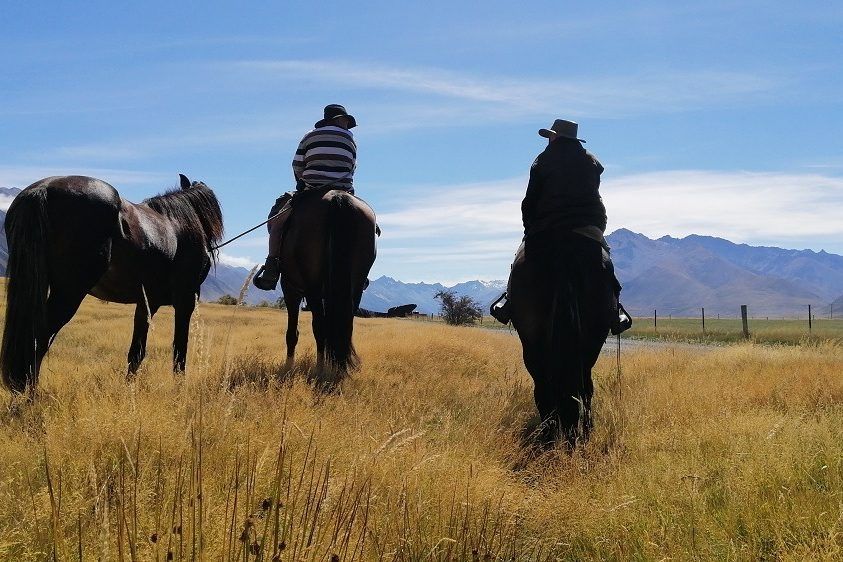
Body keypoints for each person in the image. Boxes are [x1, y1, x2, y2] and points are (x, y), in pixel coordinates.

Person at [491, 119, 631, 333]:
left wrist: (529, 230)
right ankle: (615, 311)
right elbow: (594, 197)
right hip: (587, 226)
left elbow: (529, 201)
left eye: (550, 136)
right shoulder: (592, 161)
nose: (549, 140)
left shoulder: (543, 159)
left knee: (520, 260)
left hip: (546, 226)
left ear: (555, 136)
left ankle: (509, 302)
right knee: (605, 263)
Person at [253, 104, 358, 290]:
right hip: (345, 191)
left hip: (312, 189)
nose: (346, 124)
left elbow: (297, 165)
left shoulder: (309, 136)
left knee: (278, 224)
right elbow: (352, 167)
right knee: (362, 228)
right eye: (345, 120)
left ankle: (271, 268)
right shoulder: (351, 140)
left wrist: (301, 181)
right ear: (337, 120)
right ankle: (359, 272)